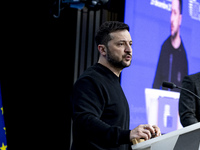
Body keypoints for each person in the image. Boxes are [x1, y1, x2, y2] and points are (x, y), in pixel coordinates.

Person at [70, 21, 161, 150]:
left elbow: (110, 141)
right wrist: (127, 134)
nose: (129, 50)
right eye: (121, 44)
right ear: (102, 49)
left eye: (130, 44)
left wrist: (141, 138)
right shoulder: (90, 81)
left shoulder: (112, 81)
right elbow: (85, 122)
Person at [153, 0, 188, 92]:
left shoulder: (183, 55)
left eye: (175, 13)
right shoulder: (164, 47)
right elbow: (156, 84)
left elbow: (186, 91)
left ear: (180, 19)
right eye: (171, 13)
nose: (172, 19)